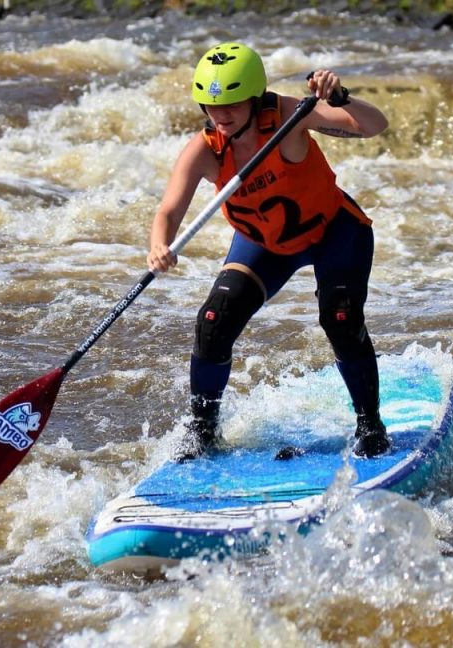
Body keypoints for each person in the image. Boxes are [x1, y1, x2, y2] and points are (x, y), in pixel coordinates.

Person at [146, 42, 390, 461]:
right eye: (211, 106)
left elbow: (374, 125)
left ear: (255, 98)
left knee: (340, 319)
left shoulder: (289, 117)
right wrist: (158, 246)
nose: (220, 116)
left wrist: (340, 97)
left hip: (334, 232)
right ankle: (203, 431)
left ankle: (370, 425)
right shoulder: (205, 149)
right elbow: (168, 210)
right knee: (212, 322)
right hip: (264, 244)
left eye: (232, 106)